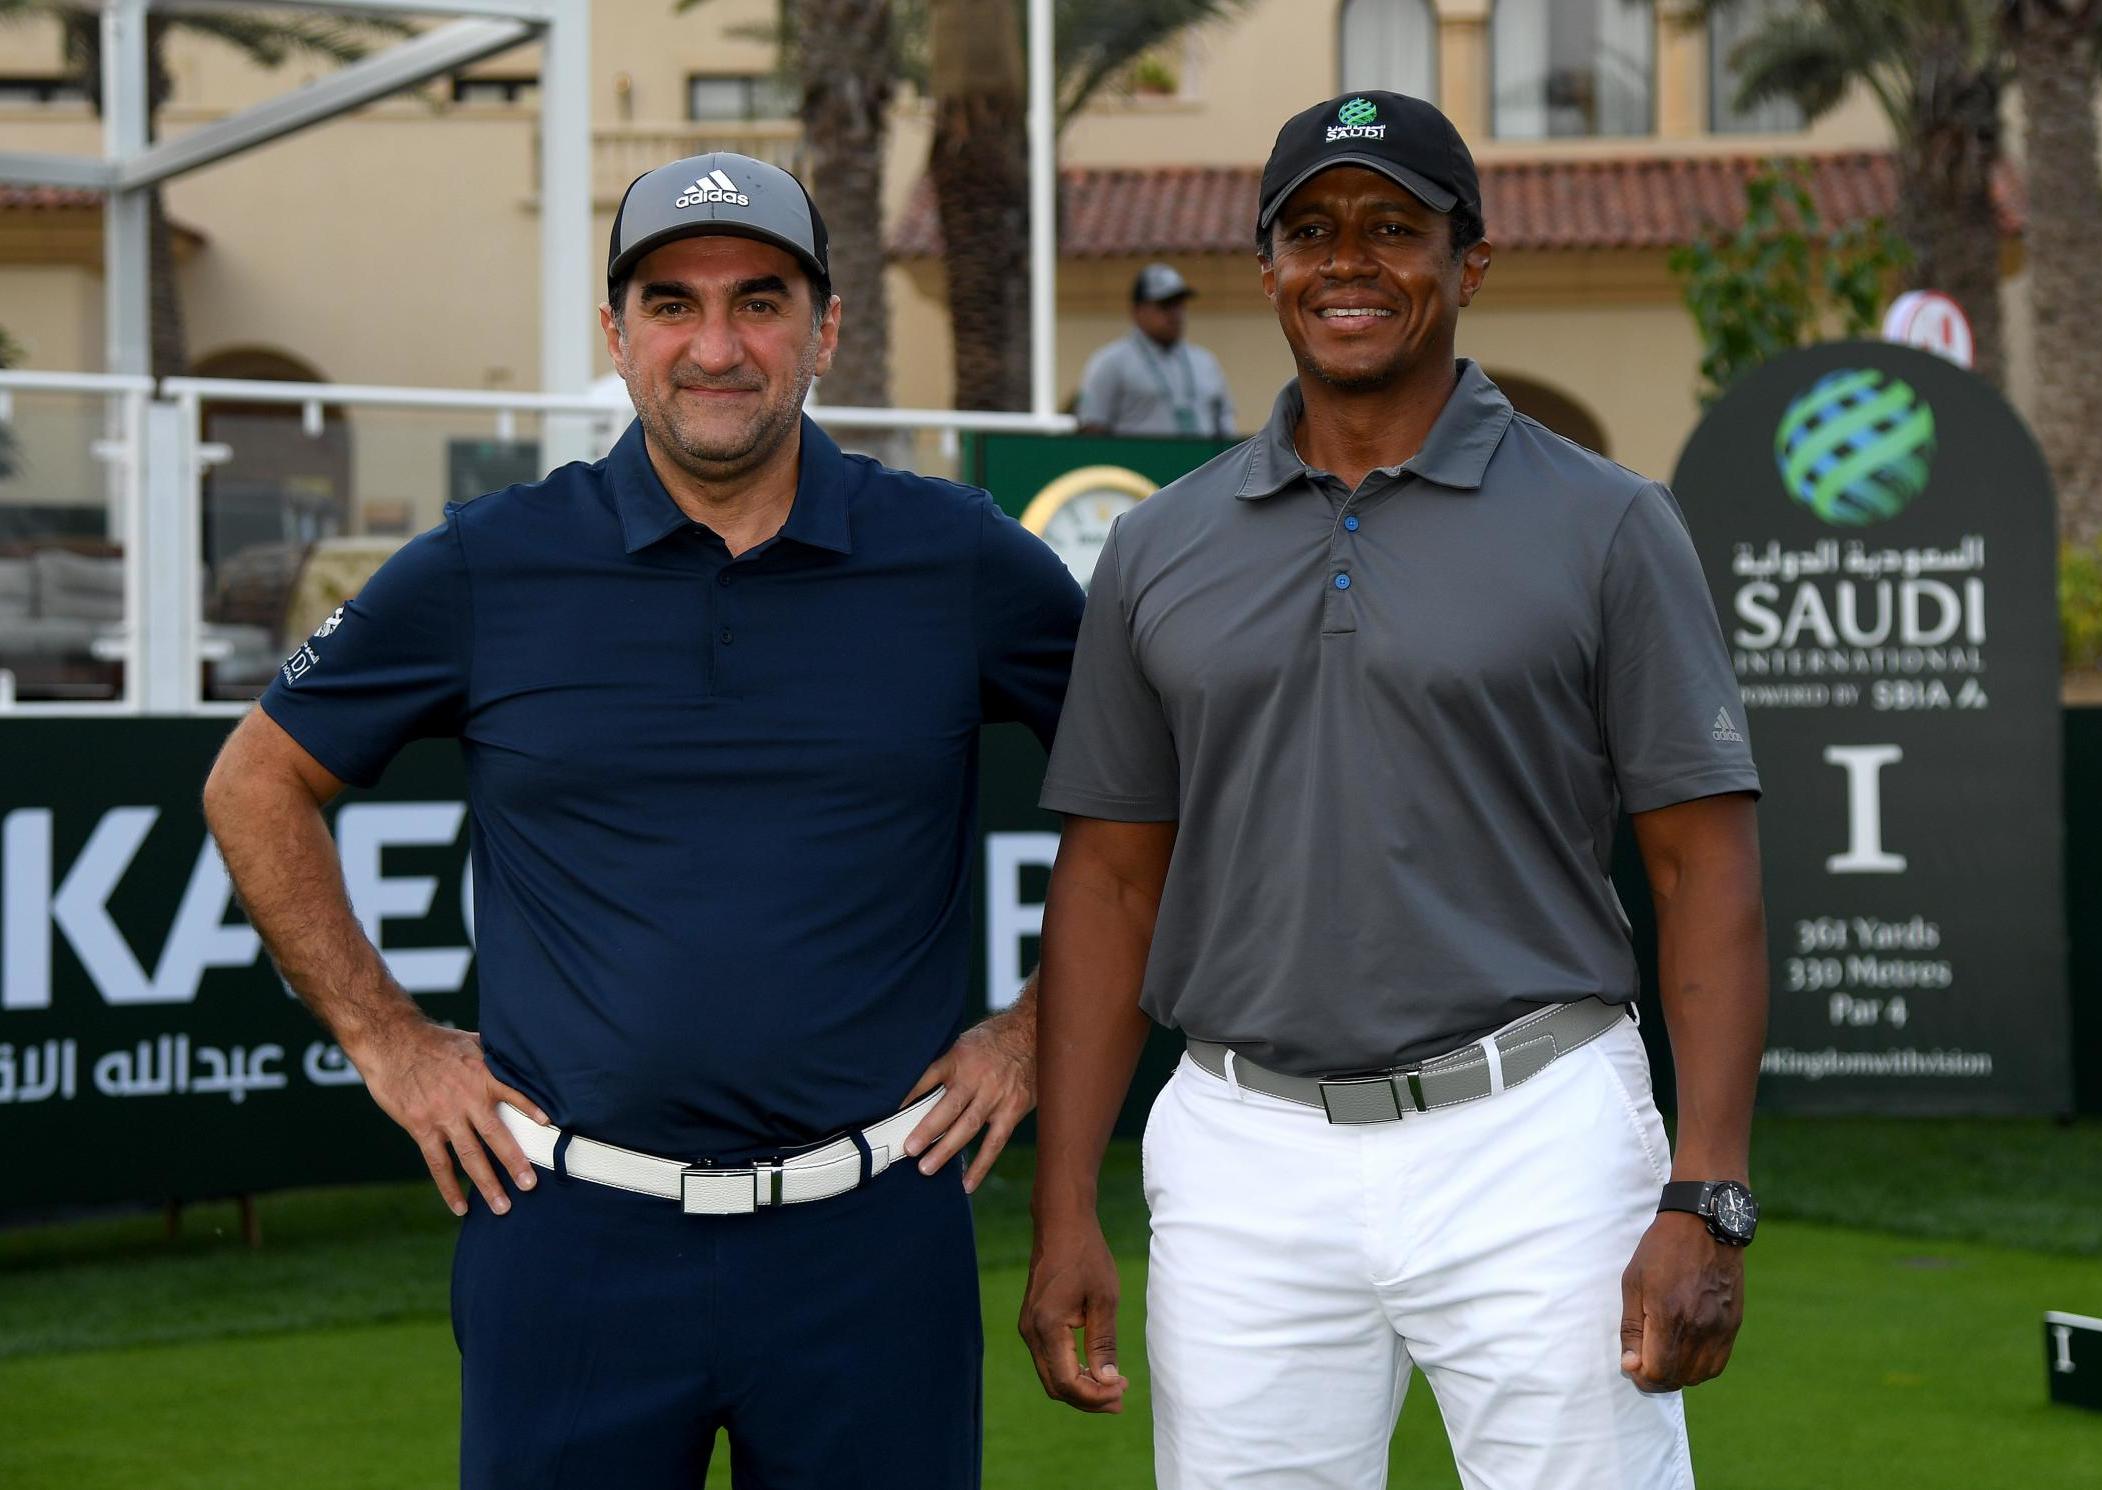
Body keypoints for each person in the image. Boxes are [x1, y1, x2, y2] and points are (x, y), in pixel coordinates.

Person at [202, 152, 1083, 1490]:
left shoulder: (955, 558)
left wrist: (1028, 1036)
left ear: (824, 327)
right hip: (566, 1240)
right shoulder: (489, 562)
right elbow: (255, 782)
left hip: (871, 1240)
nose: (715, 345)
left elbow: (1152, 793)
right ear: (616, 335)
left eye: (759, 301)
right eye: (671, 303)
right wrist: (388, 1041)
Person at [1020, 92, 1768, 1490]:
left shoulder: (1606, 519)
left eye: (1390, 228)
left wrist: (1705, 1192)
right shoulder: (1157, 546)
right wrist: (1064, 1206)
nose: (1346, 261)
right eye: (1310, 229)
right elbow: (1112, 880)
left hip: (1531, 1127)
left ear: (1465, 261)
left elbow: (1699, 866)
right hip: (1239, 1150)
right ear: (1267, 266)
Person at [1074, 262, 1237, 438]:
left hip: (1204, 463)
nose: (1175, 314)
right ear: (1137, 311)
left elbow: (1225, 424)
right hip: (1139, 464)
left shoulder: (1205, 362)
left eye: (1179, 305)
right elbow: (1092, 429)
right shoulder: (1111, 363)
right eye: (1165, 306)